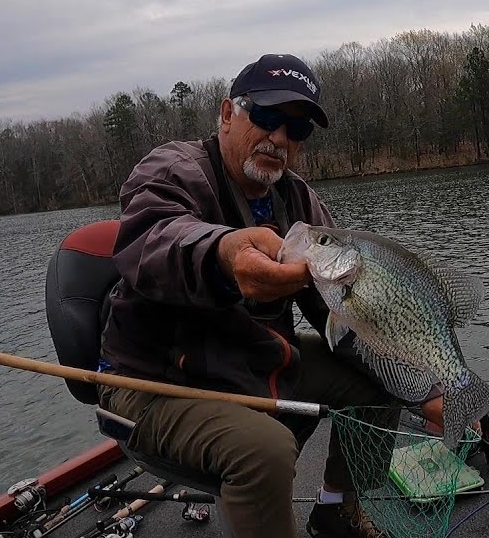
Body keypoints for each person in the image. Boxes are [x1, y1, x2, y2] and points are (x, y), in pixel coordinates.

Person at [98, 54, 405, 538]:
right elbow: (152, 238)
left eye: (296, 130)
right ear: (226, 113)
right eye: (265, 116)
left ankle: (336, 509)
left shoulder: (299, 202)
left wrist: (424, 383)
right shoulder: (173, 170)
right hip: (152, 382)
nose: (279, 139)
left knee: (387, 383)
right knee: (265, 450)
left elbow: (339, 312)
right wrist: (223, 254)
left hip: (252, 361)